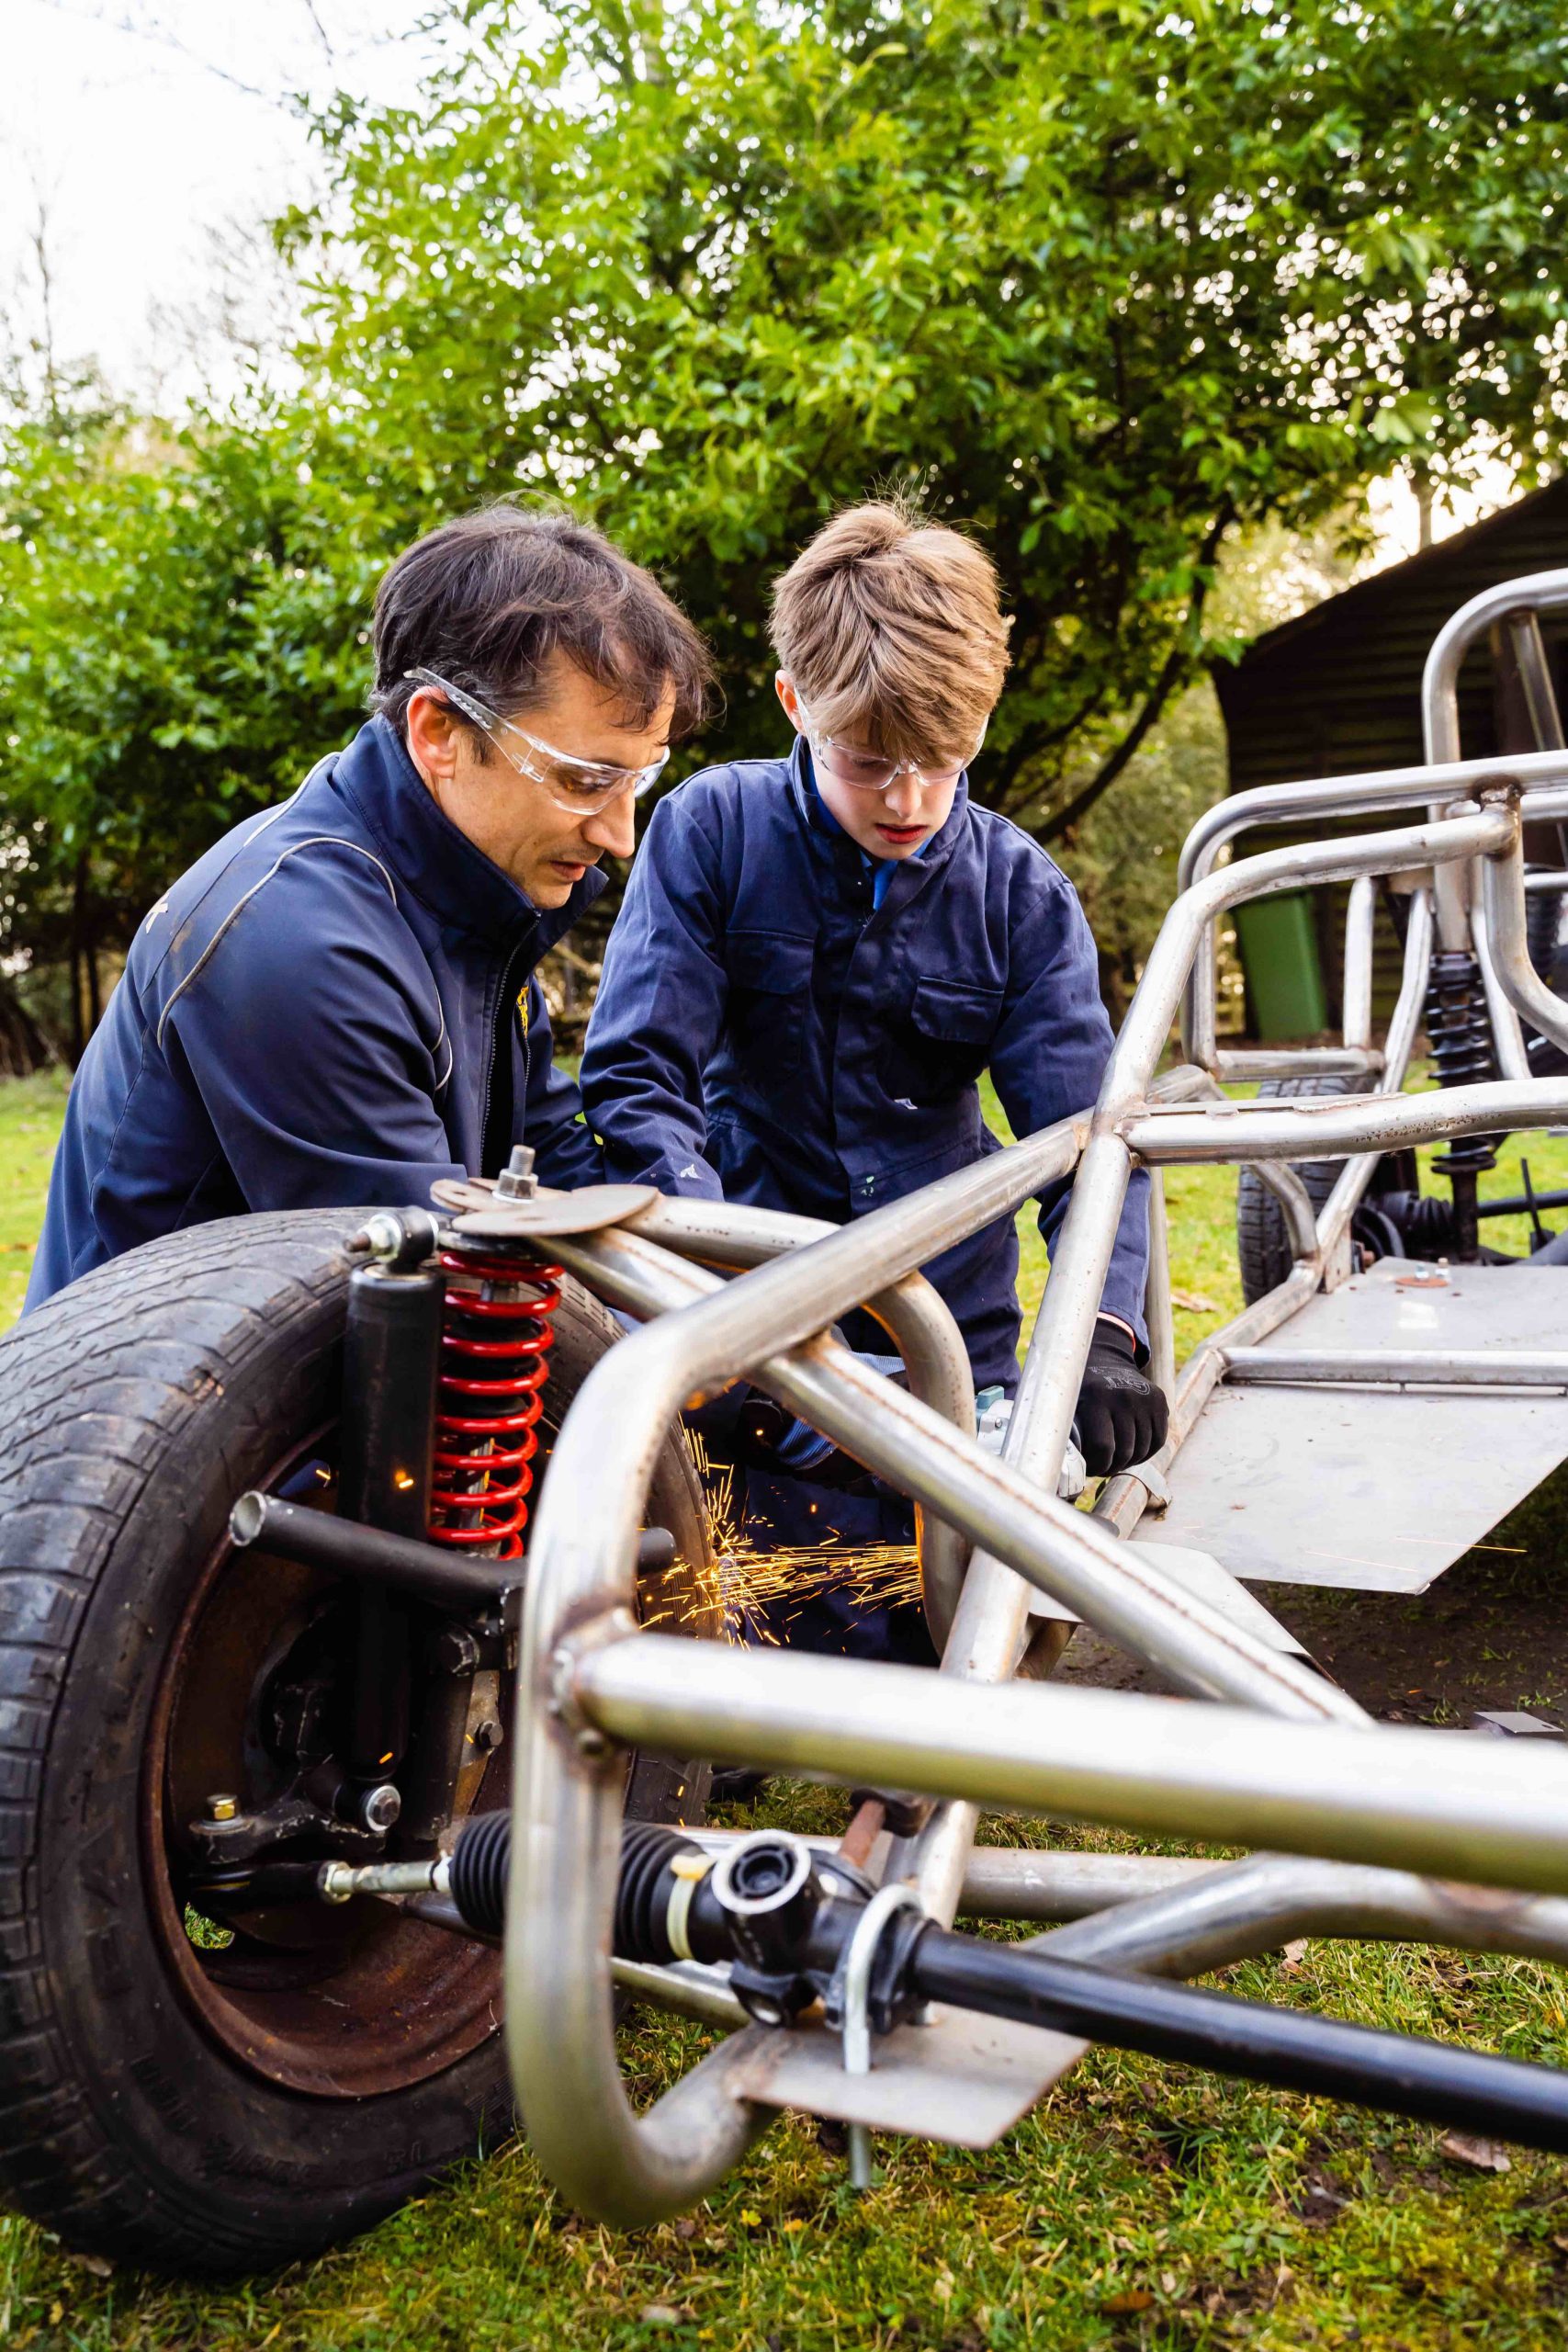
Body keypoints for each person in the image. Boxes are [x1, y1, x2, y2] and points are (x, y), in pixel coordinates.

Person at [581, 499, 1165, 1656]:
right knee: (740, 1644)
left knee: (941, 1642)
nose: (907, 801)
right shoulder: (711, 834)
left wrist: (1101, 1331)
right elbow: (639, 1078)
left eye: (942, 763)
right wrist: (721, 1296)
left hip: (950, 1341)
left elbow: (1093, 1142)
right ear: (796, 704)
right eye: (868, 763)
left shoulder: (1021, 896)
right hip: (756, 1330)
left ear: (983, 716)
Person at [27, 505, 711, 1307]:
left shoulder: (470, 905)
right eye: (584, 780)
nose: (620, 836)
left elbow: (550, 1163)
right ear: (439, 733)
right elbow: (436, 1293)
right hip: (166, 1384)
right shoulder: (295, 944)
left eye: (638, 778)